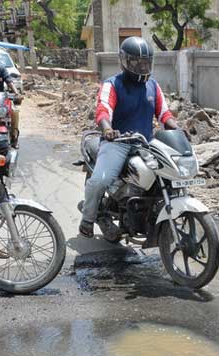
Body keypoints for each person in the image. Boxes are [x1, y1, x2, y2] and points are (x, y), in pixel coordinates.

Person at [79, 36, 179, 238]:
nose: (142, 67)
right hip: (118, 142)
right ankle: (88, 218)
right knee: (100, 180)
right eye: (137, 62)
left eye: (146, 62)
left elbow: (164, 114)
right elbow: (103, 110)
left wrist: (177, 129)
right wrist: (107, 129)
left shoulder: (153, 86)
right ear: (125, 61)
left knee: (170, 176)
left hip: (146, 143)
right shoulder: (113, 84)